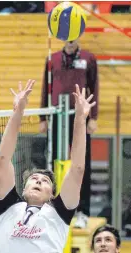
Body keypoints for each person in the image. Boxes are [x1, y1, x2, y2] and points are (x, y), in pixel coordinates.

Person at [0, 79, 96, 253]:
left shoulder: (58, 214)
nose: (39, 181)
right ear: (23, 187)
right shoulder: (8, 208)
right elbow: (2, 160)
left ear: (52, 194)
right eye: (34, 179)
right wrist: (19, 112)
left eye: (46, 181)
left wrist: (80, 120)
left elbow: (77, 170)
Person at [40, 39, 99, 228]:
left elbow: (94, 88)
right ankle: (56, 207)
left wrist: (93, 117)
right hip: (57, 114)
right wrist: (43, 117)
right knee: (54, 161)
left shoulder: (88, 58)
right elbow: (45, 88)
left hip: (79, 115)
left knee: (81, 164)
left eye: (73, 34)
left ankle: (82, 211)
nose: (70, 39)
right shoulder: (52, 58)